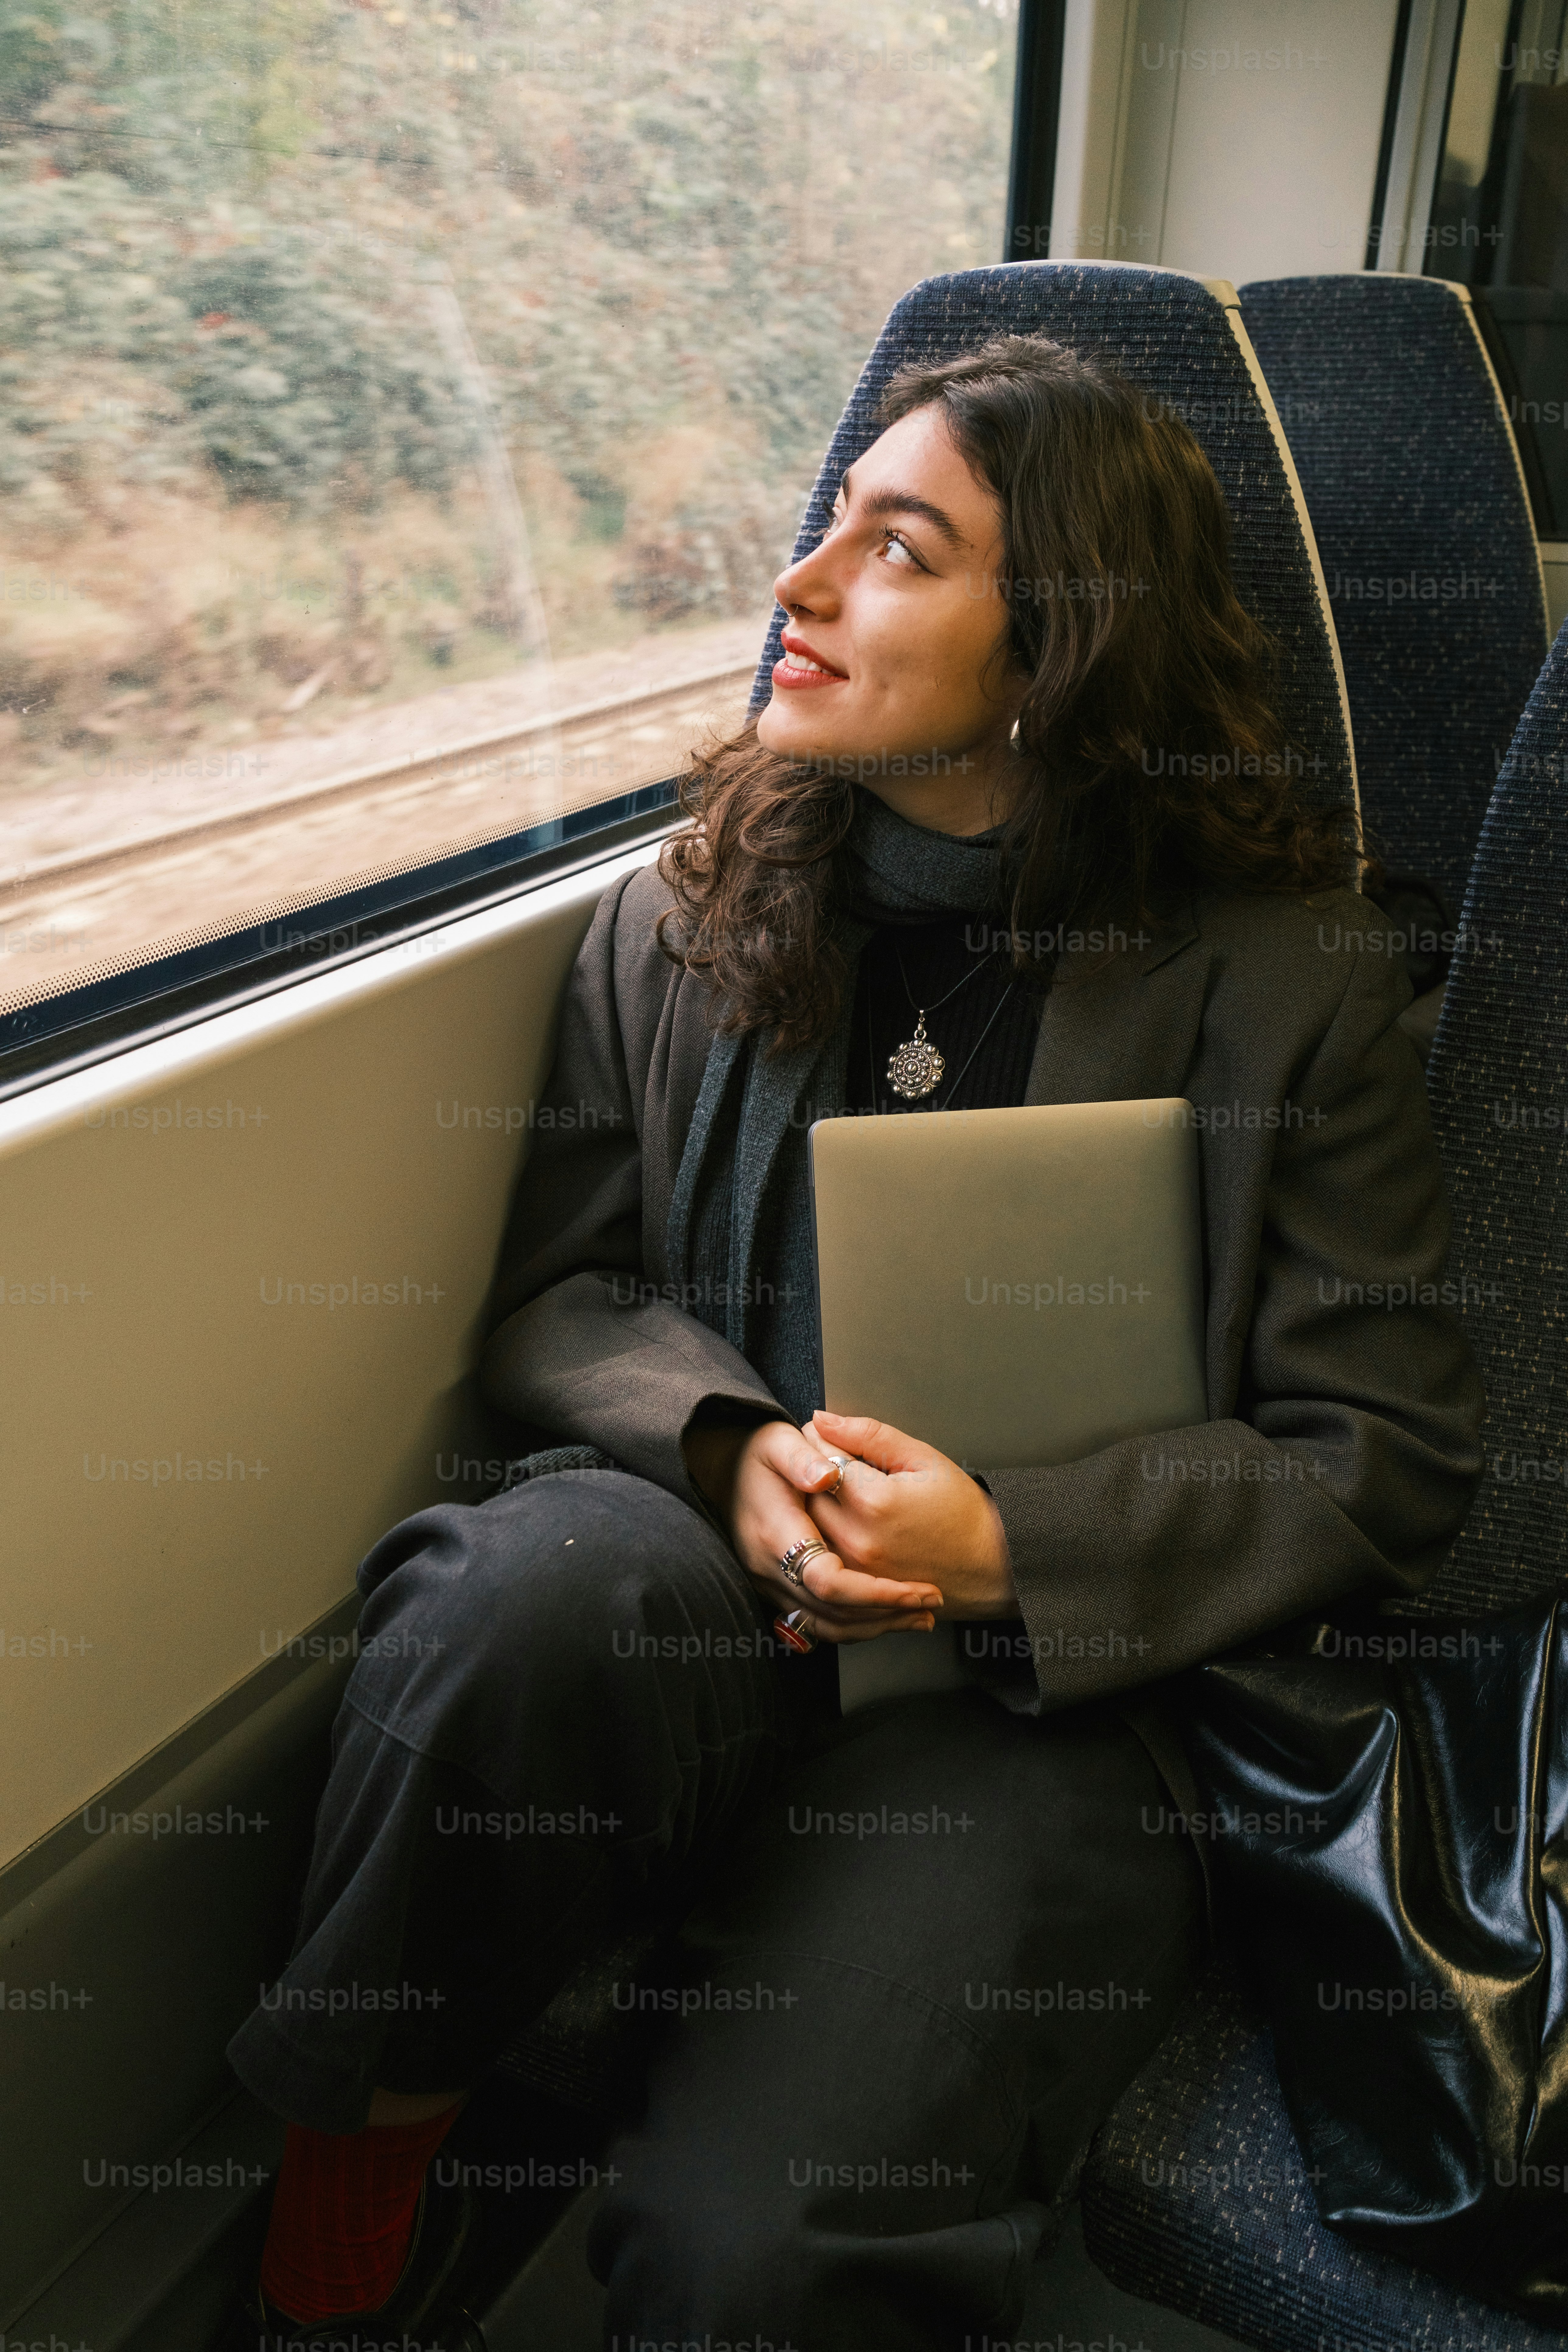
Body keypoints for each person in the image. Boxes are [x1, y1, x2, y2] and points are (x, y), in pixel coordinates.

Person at [227, 335, 1485, 2352]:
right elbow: (563, 1297)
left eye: (898, 551)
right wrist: (728, 1450)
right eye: (825, 531)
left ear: (1062, 637)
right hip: (710, 1598)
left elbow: (1386, 1449)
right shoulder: (680, 909)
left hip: (1044, 1709)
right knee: (515, 1597)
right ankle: (353, 2204)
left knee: (762, 2257)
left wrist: (1012, 1548)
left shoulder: (1286, 984)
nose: (800, 587)